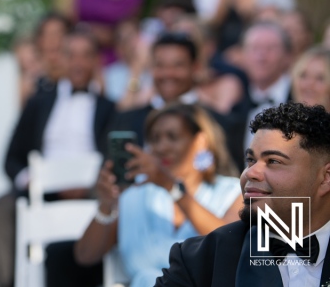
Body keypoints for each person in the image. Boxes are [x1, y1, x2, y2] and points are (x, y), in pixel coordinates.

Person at [0, 29, 116, 287]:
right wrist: (30, 181)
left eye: (86, 56)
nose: (78, 63)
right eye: (71, 55)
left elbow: (111, 156)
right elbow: (11, 158)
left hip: (91, 190)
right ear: (61, 59)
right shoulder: (39, 102)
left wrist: (91, 183)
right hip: (41, 189)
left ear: (96, 61)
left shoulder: (109, 108)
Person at [60, 104, 241, 287]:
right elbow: (85, 255)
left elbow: (229, 248)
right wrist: (107, 204)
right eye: (154, 139)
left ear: (200, 141)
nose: (161, 147)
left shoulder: (232, 192)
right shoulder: (134, 194)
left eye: (172, 137)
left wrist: (173, 188)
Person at [155, 102, 330, 286]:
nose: (250, 173)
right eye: (251, 160)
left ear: (326, 178)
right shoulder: (200, 260)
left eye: (273, 161)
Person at [227, 21, 293, 168]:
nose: (261, 57)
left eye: (271, 48)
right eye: (254, 48)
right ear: (242, 56)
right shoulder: (235, 109)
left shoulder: (302, 100)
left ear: (287, 56)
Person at [170, 15, 244, 114]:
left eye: (189, 44)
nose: (180, 52)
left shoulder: (228, 83)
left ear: (209, 47)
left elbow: (223, 124)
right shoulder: (160, 84)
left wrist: (192, 88)